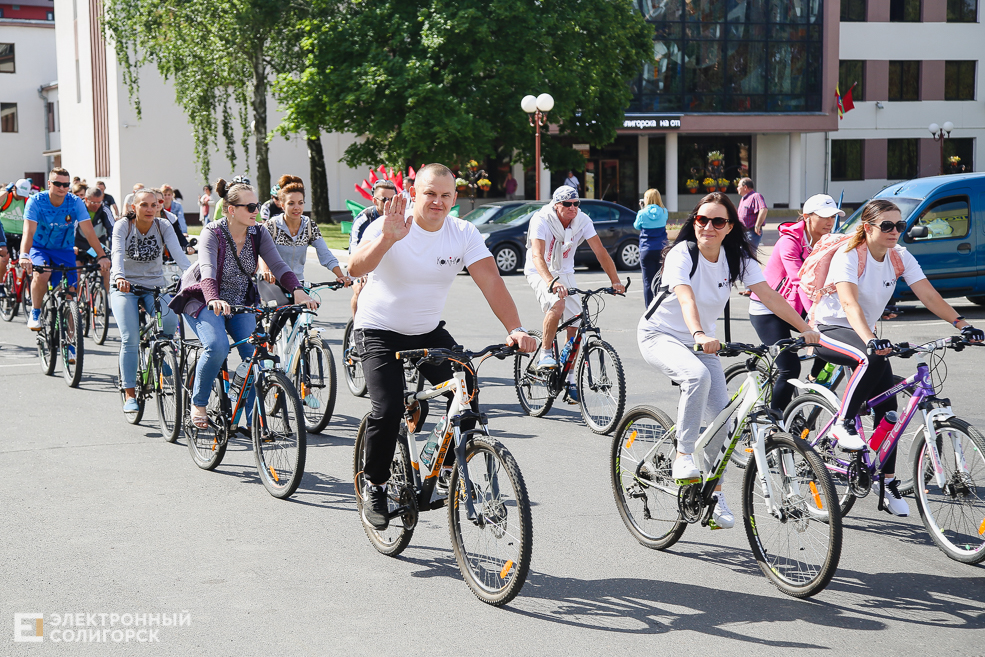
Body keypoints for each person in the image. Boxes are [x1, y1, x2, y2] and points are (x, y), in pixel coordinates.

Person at [347, 163, 536, 530]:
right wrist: (387, 238)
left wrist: (515, 328)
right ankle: (376, 485)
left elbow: (491, 281)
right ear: (414, 193)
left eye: (445, 195)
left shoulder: (462, 232)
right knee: (387, 409)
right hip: (378, 330)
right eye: (430, 193)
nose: (437, 201)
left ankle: (449, 468)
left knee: (466, 387)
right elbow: (355, 268)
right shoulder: (390, 222)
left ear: (454, 198)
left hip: (427, 331)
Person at [637, 192, 820, 529]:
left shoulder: (736, 259)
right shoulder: (682, 254)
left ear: (730, 226)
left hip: (701, 343)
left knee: (723, 423)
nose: (708, 227)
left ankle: (715, 494)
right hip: (660, 335)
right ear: (694, 222)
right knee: (696, 377)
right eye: (702, 219)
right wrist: (698, 333)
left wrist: (806, 328)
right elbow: (686, 297)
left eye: (717, 221)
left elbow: (770, 296)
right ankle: (683, 455)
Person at [810, 199, 983, 516]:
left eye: (900, 225)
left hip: (865, 333)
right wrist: (870, 340)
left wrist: (963, 325)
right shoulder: (850, 255)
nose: (895, 231)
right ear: (867, 227)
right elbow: (848, 303)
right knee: (870, 358)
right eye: (887, 225)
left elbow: (928, 294)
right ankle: (843, 424)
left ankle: (887, 482)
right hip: (831, 328)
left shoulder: (899, 256)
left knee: (889, 410)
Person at [169, 178, 317, 430]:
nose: (255, 211)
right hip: (203, 299)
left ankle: (253, 423)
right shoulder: (212, 232)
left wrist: (297, 291)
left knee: (255, 356)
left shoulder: (258, 232)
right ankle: (199, 403)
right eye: (249, 207)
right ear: (231, 209)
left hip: (239, 300)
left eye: (256, 205)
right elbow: (207, 270)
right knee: (217, 346)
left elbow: (278, 265)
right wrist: (213, 298)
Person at [524, 186, 625, 402]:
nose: (573, 208)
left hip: (565, 272)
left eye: (576, 203)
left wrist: (615, 281)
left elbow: (600, 251)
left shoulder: (582, 220)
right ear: (556, 205)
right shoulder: (541, 219)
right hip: (540, 270)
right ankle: (545, 354)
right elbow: (537, 256)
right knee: (557, 304)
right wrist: (551, 281)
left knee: (576, 324)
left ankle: (570, 379)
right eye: (567, 204)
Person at [747, 193, 841, 413]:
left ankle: (813, 379)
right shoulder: (789, 241)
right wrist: (813, 321)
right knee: (789, 368)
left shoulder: (827, 241)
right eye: (824, 216)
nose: (830, 222)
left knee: (834, 332)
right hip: (767, 308)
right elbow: (800, 282)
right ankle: (775, 421)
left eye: (833, 216)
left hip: (795, 306)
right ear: (807, 217)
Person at [111, 189, 192, 412]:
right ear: (133, 207)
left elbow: (179, 255)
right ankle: (129, 393)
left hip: (154, 286)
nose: (149, 209)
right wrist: (119, 277)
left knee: (170, 321)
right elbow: (117, 253)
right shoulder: (123, 226)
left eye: (153, 205)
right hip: (124, 286)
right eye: (143, 205)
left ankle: (161, 353)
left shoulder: (163, 225)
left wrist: (193, 277)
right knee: (130, 338)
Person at [20, 168, 111, 336]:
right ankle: (36, 311)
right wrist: (24, 255)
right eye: (57, 184)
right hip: (40, 248)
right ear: (49, 184)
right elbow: (28, 232)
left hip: (65, 249)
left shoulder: (75, 202)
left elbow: (89, 232)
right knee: (43, 274)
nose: (62, 188)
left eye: (66, 184)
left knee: (71, 294)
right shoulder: (35, 201)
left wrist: (102, 256)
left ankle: (70, 343)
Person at [256, 175, 350, 303]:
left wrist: (341, 276)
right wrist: (266, 271)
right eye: (291, 203)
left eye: (300, 203)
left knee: (306, 310)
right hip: (272, 281)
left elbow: (325, 253)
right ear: (282, 205)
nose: (297, 207)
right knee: (283, 307)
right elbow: (263, 252)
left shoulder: (309, 226)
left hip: (297, 282)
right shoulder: (272, 225)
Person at [348, 180, 396, 316]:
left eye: (393, 199)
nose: (389, 203)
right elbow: (354, 252)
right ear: (375, 201)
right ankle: (356, 325)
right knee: (359, 290)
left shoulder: (401, 217)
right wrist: (361, 274)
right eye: (385, 199)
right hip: (365, 263)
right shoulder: (363, 219)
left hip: (390, 263)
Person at [75, 187, 116, 293]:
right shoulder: (78, 207)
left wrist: (114, 249)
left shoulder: (104, 208)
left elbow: (113, 230)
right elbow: (72, 229)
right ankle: (76, 298)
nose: (96, 205)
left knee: (105, 269)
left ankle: (105, 297)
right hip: (80, 244)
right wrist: (72, 246)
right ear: (86, 199)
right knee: (76, 271)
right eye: (93, 202)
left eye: (99, 202)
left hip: (97, 245)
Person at [635, 188, 669, 306]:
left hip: (646, 249)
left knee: (647, 282)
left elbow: (636, 226)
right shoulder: (664, 212)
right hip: (661, 248)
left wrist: (642, 209)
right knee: (660, 280)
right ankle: (660, 306)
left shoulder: (642, 213)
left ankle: (649, 308)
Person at [0, 178, 32, 291]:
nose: (21, 197)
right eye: (19, 194)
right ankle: (0, 284)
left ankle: (28, 289)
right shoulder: (6, 197)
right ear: (14, 189)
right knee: (4, 259)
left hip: (21, 235)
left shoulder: (27, 200)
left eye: (24, 195)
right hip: (5, 235)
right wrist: (6, 191)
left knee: (29, 260)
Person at [152, 188, 195, 256]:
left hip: (167, 255)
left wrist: (187, 246)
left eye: (160, 201)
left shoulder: (171, 217)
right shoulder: (142, 218)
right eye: (154, 201)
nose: (157, 204)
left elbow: (179, 236)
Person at [736, 177, 768, 254]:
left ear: (745, 187)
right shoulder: (743, 199)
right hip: (743, 233)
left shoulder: (756, 196)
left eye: (738, 186)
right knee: (746, 255)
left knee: (747, 255)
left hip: (751, 232)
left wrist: (757, 225)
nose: (737, 188)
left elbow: (763, 209)